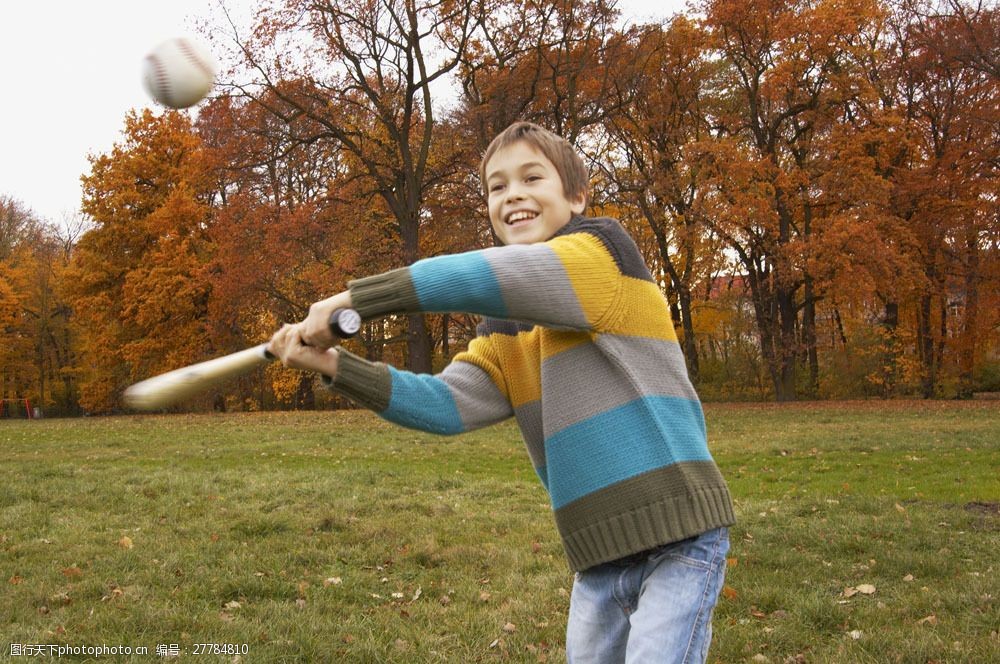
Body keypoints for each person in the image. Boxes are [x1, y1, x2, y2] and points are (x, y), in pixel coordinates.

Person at [268, 121, 735, 663]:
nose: (512, 193)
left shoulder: (602, 255)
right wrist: (334, 364)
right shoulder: (506, 328)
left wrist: (360, 298)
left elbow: (502, 275)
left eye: (531, 177)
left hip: (679, 540)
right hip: (598, 558)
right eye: (496, 186)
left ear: (576, 196)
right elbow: (445, 404)